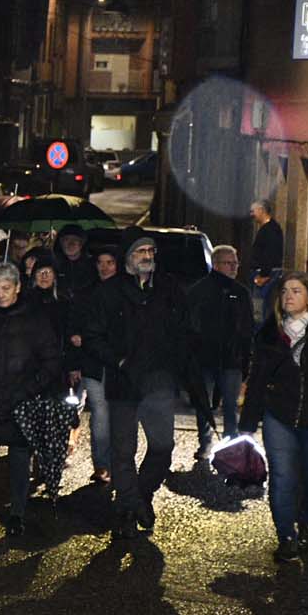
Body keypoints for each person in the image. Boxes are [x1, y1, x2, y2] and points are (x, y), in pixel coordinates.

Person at [83, 228, 203, 540]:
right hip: (124, 382)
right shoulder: (108, 293)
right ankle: (125, 508)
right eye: (141, 252)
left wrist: (181, 365)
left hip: (160, 382)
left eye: (150, 251)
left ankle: (141, 495)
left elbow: (186, 331)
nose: (148, 256)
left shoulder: (169, 289)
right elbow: (93, 336)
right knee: (123, 450)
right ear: (127, 258)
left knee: (163, 446)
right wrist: (118, 361)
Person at [0, 262, 61, 538]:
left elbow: (51, 361)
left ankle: (17, 514)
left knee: (20, 459)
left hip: (22, 399)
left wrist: (29, 389)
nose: (0, 294)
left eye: (6, 288)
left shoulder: (36, 318)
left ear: (18, 288)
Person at [239, 272, 308, 561]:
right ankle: (286, 536)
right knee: (282, 478)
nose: (288, 296)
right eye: (285, 291)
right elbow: (258, 381)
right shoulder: (268, 335)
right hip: (280, 419)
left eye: (296, 291)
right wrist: (246, 428)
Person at [186, 245, 253, 459]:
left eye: (236, 263)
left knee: (231, 406)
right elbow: (190, 325)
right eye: (229, 263)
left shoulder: (240, 292)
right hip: (204, 358)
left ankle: (230, 446)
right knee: (203, 404)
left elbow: (247, 327)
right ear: (216, 264)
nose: (234, 267)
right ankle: (205, 444)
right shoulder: (199, 290)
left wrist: (246, 358)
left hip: (232, 359)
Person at [73, 246, 122, 485]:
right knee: (101, 416)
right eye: (101, 262)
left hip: (119, 365)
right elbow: (76, 324)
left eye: (109, 262)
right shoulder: (87, 293)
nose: (104, 267)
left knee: (119, 417)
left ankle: (118, 464)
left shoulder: (126, 292)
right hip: (94, 364)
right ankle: (102, 464)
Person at [53, 224, 99, 293]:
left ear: (81, 244)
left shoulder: (93, 265)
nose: (71, 244)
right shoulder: (54, 264)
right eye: (66, 239)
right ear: (61, 243)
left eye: (75, 239)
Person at [249, 199, 284, 286]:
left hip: (265, 276)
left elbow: (271, 254)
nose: (251, 214)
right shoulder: (266, 228)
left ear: (261, 210)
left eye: (253, 211)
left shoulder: (271, 230)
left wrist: (263, 276)